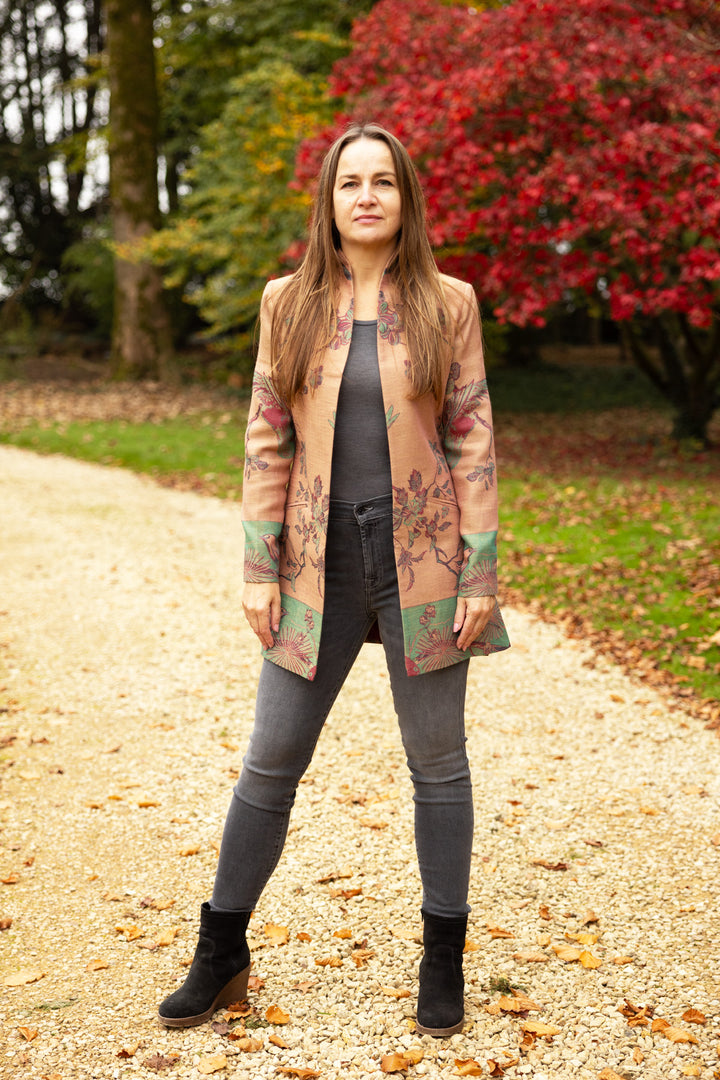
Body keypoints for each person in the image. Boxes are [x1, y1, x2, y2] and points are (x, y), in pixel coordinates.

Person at [158, 122, 510, 1038]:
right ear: (329, 200)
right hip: (318, 559)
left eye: (382, 182)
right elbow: (266, 435)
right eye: (350, 182)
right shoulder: (289, 303)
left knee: (439, 766)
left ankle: (443, 959)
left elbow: (471, 436)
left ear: (404, 199)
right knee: (271, 757)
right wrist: (256, 563)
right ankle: (221, 951)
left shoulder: (449, 303)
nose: (366, 196)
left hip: (422, 558)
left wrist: (480, 576)